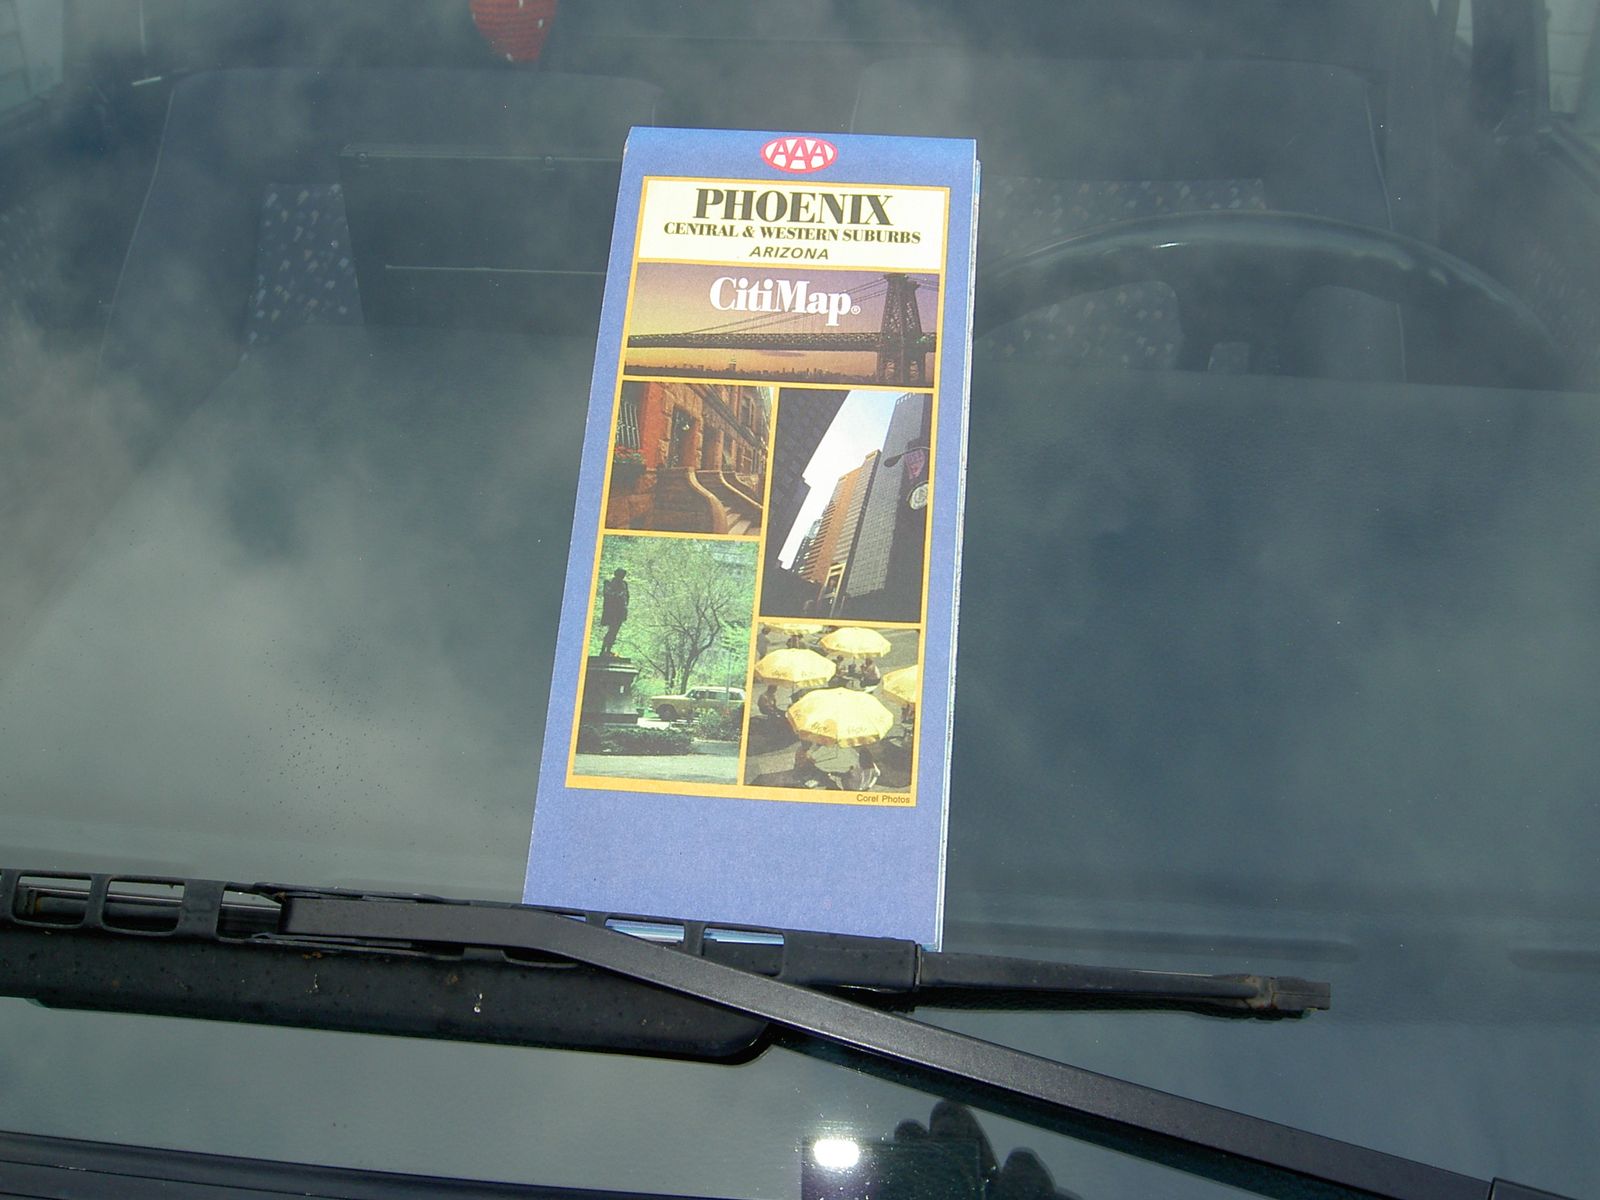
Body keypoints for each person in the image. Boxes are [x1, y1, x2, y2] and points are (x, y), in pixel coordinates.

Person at [598, 568, 628, 657]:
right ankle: (603, 650)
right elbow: (608, 594)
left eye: (623, 576)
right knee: (611, 631)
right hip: (612, 611)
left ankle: (608, 650)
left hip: (620, 611)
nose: (622, 577)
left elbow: (626, 597)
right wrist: (619, 595)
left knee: (614, 631)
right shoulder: (609, 583)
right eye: (620, 575)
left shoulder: (624, 584)